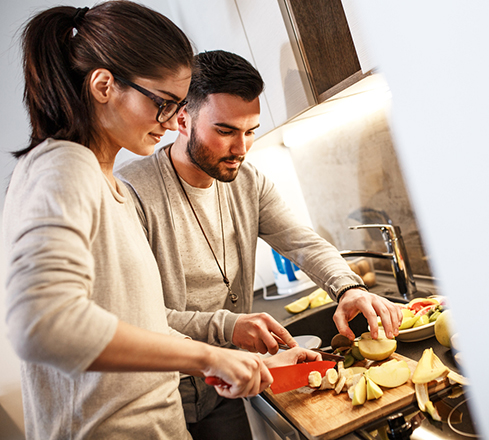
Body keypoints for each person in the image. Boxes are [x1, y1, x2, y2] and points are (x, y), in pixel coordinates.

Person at [3, 4, 318, 439]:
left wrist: (240, 357)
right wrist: (206, 358)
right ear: (103, 86)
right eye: (164, 104)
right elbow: (41, 326)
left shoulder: (102, 180)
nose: (172, 124)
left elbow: (144, 324)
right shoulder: (65, 166)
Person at [116, 49, 403, 438]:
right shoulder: (130, 194)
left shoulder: (249, 181)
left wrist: (347, 286)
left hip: (230, 386)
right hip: (161, 398)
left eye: (250, 131)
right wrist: (231, 326)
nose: (241, 148)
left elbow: (303, 242)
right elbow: (138, 320)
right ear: (182, 119)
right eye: (225, 131)